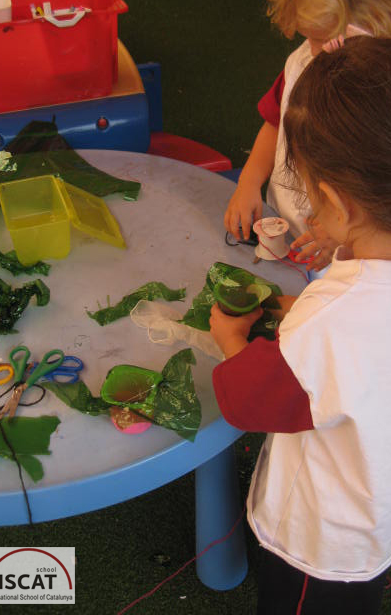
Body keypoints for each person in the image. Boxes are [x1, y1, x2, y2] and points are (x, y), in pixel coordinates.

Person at [210, 36, 391, 615]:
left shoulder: (329, 322)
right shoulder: (339, 313)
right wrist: (295, 313)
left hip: (326, 541)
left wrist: (230, 337)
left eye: (309, 192)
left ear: (338, 200)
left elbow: (249, 400)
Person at [224, 0, 391, 272]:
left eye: (324, 39)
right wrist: (249, 182)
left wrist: (341, 235)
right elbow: (275, 122)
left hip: (342, 255)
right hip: (285, 222)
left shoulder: (376, 94)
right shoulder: (302, 61)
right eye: (308, 38)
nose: (314, 50)